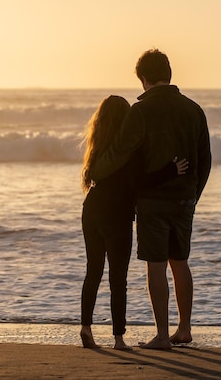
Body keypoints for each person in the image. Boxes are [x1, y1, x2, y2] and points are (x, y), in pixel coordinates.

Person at [91, 49, 212, 350]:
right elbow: (205, 160)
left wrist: (96, 170)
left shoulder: (140, 111)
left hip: (152, 200)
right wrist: (192, 196)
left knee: (155, 266)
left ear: (143, 79)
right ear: (169, 74)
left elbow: (122, 152)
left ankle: (162, 335)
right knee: (180, 262)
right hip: (185, 200)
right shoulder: (194, 110)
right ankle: (184, 329)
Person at [80, 95, 188, 350]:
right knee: (118, 277)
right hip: (117, 214)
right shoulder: (127, 148)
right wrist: (171, 171)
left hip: (92, 208)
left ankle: (86, 327)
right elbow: (140, 181)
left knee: (93, 271)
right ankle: (118, 339)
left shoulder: (97, 147)